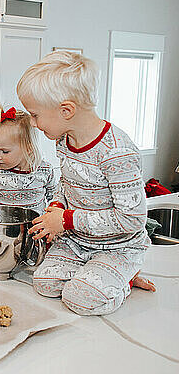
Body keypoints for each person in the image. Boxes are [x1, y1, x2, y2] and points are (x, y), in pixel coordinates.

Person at [17, 51, 154, 316]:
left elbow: (132, 219)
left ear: (66, 110)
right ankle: (98, 274)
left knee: (79, 299)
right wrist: (57, 207)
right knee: (44, 283)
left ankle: (125, 276)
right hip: (77, 241)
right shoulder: (63, 141)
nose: (33, 124)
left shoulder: (117, 153)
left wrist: (67, 220)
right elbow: (66, 184)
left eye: (35, 116)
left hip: (119, 246)